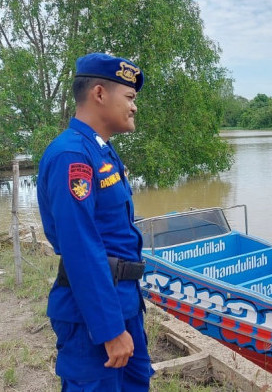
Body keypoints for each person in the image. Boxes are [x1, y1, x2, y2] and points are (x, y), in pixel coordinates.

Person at [37, 53, 153, 391]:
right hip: (93, 316)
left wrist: (123, 320)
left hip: (121, 303)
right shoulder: (72, 156)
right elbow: (81, 250)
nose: (134, 107)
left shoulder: (100, 150)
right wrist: (110, 330)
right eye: (129, 97)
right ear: (99, 94)